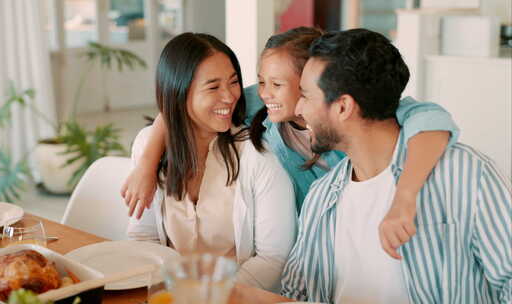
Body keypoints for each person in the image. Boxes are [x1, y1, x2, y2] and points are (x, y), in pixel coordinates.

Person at [121, 27, 460, 259]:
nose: (263, 91)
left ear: (313, 81)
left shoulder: (359, 118)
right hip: (314, 252)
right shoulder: (267, 109)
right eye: (260, 81)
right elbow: (183, 102)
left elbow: (431, 119)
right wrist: (148, 161)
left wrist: (405, 197)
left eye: (276, 84)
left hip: (369, 240)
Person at [281, 28, 511, 303]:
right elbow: (296, 293)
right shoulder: (321, 197)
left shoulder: (466, 175)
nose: (298, 109)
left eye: (306, 95)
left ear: (343, 107)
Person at [125, 32, 297, 292]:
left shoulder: (258, 158)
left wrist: (209, 296)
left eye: (234, 82)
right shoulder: (149, 146)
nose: (229, 96)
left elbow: (273, 259)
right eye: (213, 87)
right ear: (179, 93)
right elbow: (143, 237)